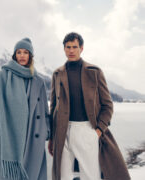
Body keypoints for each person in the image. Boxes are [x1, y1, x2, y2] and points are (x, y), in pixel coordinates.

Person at [48, 32, 130, 180]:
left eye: (74, 47)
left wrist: (98, 130)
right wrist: (52, 137)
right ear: (64, 49)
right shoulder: (57, 73)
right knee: (62, 176)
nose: (71, 50)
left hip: (87, 130)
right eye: (68, 47)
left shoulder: (95, 72)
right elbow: (53, 106)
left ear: (81, 48)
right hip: (62, 131)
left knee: (91, 175)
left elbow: (107, 105)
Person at [0, 38, 50, 180]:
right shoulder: (2, 77)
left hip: (32, 142)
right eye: (19, 52)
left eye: (25, 52)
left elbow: (45, 114)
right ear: (14, 55)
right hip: (6, 143)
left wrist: (45, 132)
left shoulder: (38, 81)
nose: (22, 55)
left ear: (30, 56)